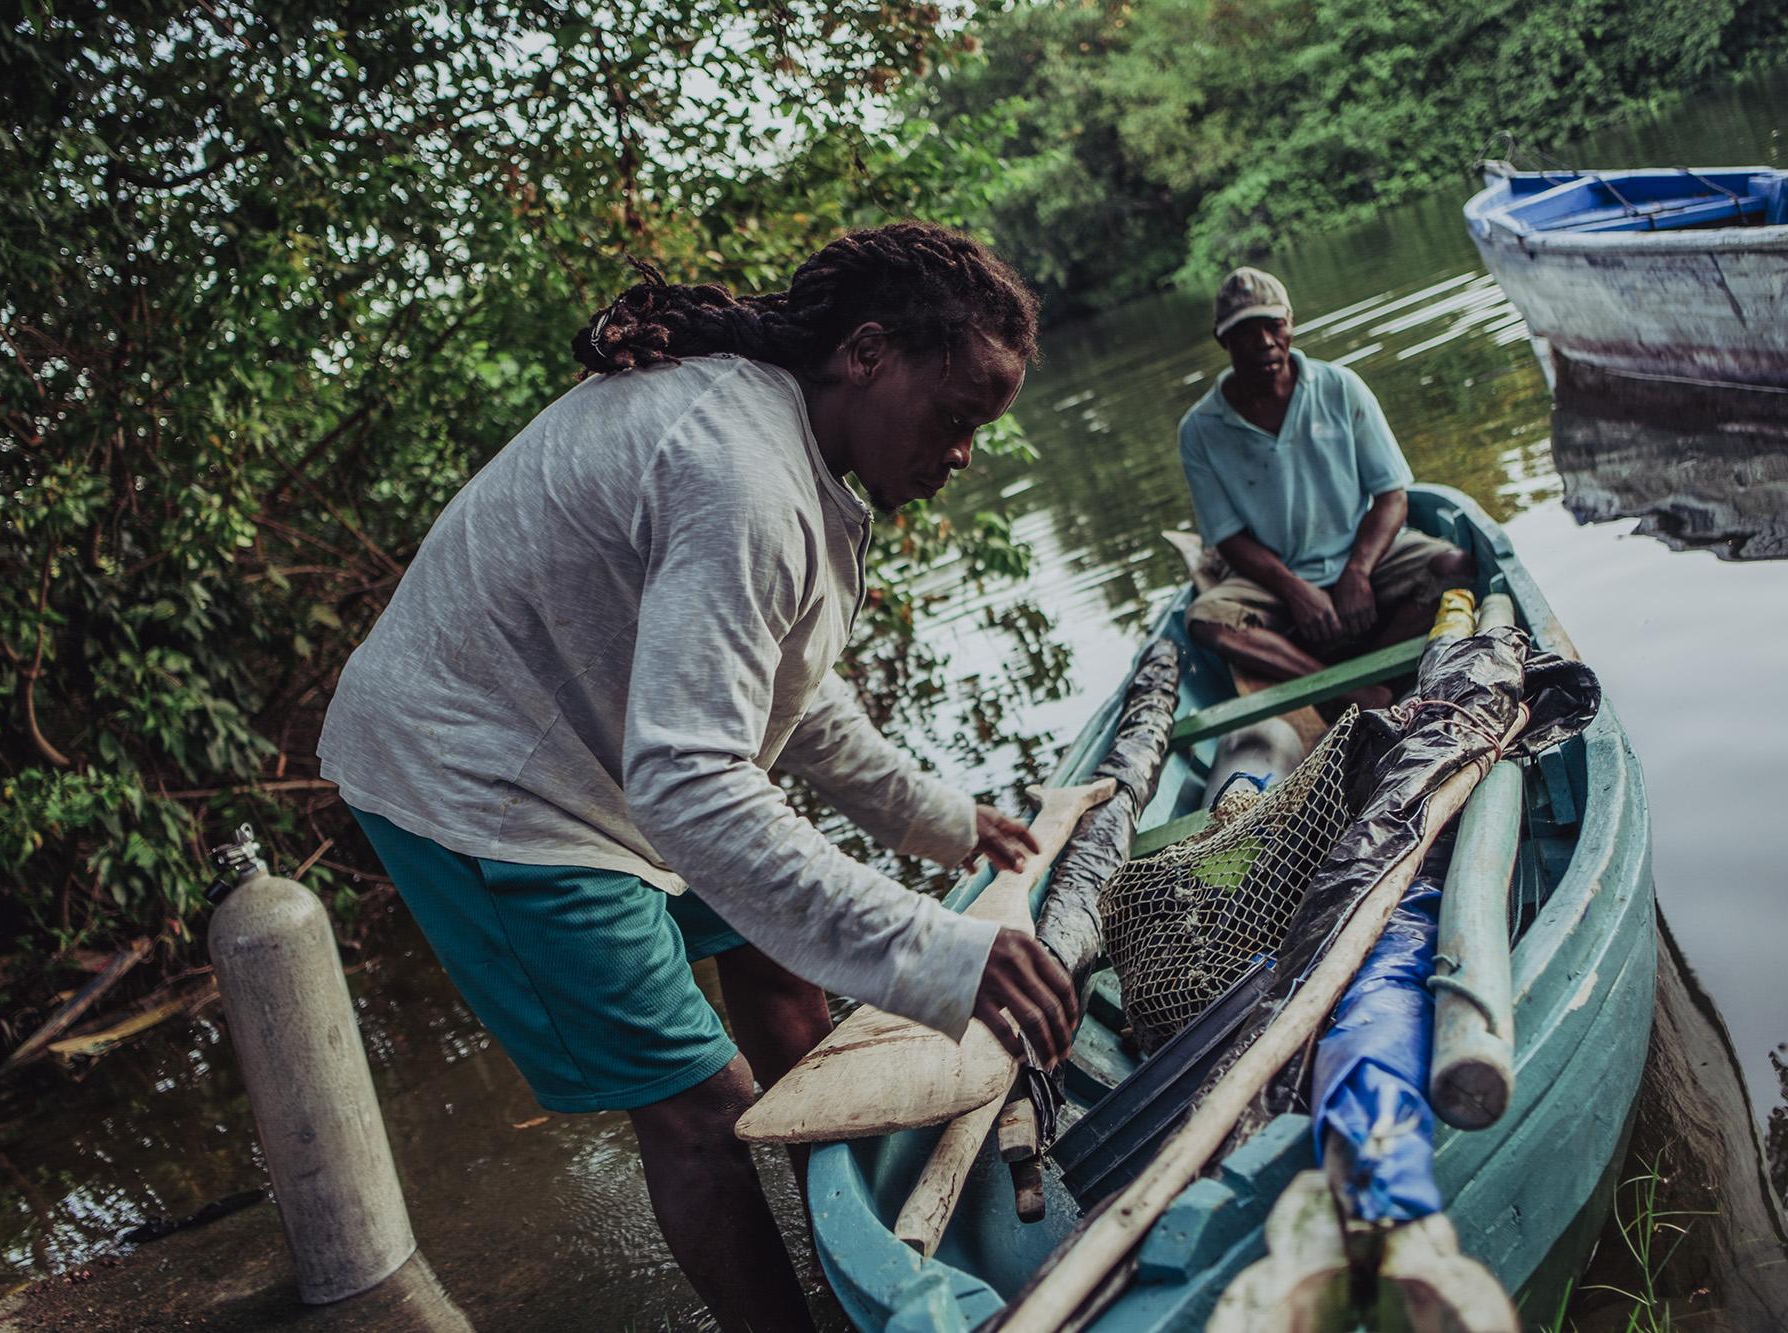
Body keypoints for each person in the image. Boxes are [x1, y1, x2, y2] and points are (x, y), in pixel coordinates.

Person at [316, 222, 1080, 1331]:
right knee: (699, 1107)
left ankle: (856, 1233)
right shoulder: (740, 474)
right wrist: (940, 950)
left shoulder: (785, 444)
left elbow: (790, 689)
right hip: (481, 783)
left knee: (780, 967)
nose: (959, 452)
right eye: (954, 415)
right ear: (865, 352)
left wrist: (938, 819)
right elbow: (692, 783)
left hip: (605, 746)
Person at [1177, 267, 1474, 707]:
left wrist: (1357, 571)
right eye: (1245, 332)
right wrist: (1297, 590)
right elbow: (1227, 538)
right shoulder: (1199, 430)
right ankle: (1347, 690)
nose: (1263, 342)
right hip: (1274, 582)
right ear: (1224, 340)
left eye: (1272, 326)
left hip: (1365, 557)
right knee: (1205, 620)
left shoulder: (1340, 387)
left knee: (1456, 566)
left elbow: (1392, 496)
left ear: (1290, 325)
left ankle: (1375, 670)